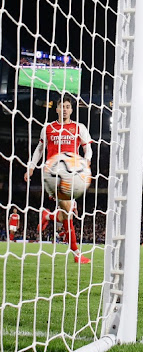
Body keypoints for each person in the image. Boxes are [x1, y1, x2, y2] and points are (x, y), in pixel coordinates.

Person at [24, 94, 93, 264]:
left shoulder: (79, 127)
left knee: (66, 214)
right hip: (53, 175)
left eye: (67, 106)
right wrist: (31, 167)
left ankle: (48, 216)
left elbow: (88, 149)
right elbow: (39, 149)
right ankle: (76, 254)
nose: (64, 110)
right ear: (56, 108)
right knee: (68, 212)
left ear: (71, 109)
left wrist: (86, 163)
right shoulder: (48, 128)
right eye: (61, 106)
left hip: (73, 174)